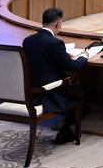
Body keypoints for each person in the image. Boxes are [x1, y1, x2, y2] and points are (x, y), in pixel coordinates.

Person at [22, 8, 92, 144]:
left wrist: (63, 55)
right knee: (79, 92)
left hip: (30, 91)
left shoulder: (28, 40)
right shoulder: (55, 43)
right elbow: (73, 67)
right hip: (48, 93)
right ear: (58, 24)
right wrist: (84, 56)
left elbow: (42, 58)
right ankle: (65, 132)